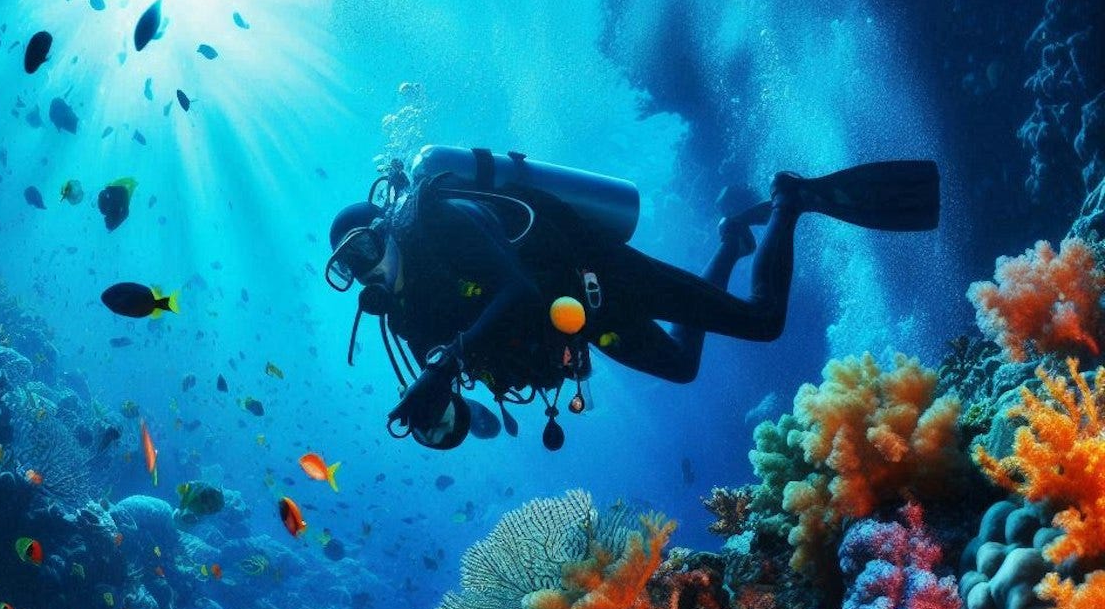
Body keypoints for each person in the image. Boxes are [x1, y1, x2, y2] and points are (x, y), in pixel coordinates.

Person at [325, 152, 939, 450]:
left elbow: (515, 289)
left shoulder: (443, 220)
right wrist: (441, 410)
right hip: (585, 323)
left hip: (599, 276)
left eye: (365, 246)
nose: (366, 266)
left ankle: (789, 198)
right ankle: (730, 245)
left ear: (386, 227)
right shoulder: (407, 318)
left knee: (763, 321)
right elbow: (463, 400)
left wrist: (447, 361)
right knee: (682, 364)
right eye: (350, 266)